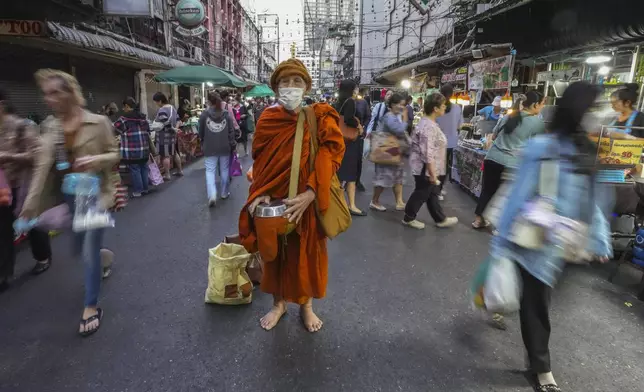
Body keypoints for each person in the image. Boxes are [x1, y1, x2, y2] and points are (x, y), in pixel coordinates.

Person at [491, 81, 612, 392]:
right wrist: (500, 242)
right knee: (537, 306)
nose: (599, 116)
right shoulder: (542, 148)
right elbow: (518, 195)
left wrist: (599, 240)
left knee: (535, 301)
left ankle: (504, 306)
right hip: (534, 241)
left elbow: (594, 201)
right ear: (579, 111)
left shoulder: (586, 150)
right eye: (595, 109)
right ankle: (541, 368)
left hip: (567, 245)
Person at [239, 58, 345, 333]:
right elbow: (260, 162)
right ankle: (278, 304)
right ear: (275, 88)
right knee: (275, 257)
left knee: (307, 255)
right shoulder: (267, 119)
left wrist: (311, 193)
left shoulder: (319, 116)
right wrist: (259, 194)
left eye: (296, 81)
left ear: (307, 86)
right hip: (276, 202)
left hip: (307, 202)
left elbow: (331, 155)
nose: (290, 87)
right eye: (284, 82)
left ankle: (306, 307)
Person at [22, 69, 120, 336]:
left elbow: (114, 153)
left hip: (96, 194)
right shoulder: (50, 127)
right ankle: (105, 258)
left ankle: (91, 307)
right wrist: (30, 204)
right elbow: (42, 166)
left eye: (55, 92)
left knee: (87, 252)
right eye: (46, 94)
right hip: (67, 195)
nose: (49, 99)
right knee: (79, 250)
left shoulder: (98, 122)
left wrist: (96, 161)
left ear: (71, 92)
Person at [0, 89, 53, 290]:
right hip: (2, 189)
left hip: (22, 185)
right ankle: (3, 273)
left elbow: (36, 156)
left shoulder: (23, 127)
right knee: (2, 230)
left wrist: (8, 156)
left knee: (31, 224)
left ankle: (43, 257)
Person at [473, 90, 546, 229]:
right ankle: (498, 227)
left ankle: (478, 220)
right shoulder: (537, 123)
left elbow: (493, 137)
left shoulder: (508, 116)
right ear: (535, 104)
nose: (542, 107)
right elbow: (539, 147)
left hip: (492, 159)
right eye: (542, 104)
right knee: (505, 196)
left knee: (487, 191)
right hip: (511, 163)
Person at [403, 93, 459, 229]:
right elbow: (428, 153)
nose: (445, 107)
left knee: (432, 193)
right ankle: (409, 217)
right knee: (422, 192)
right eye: (443, 105)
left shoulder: (430, 123)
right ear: (435, 108)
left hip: (427, 167)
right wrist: (433, 174)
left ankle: (440, 219)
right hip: (424, 167)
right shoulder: (428, 126)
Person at [370, 93, 408, 212]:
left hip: (392, 151)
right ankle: (374, 201)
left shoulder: (394, 115)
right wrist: (405, 119)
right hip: (386, 152)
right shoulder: (390, 116)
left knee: (397, 178)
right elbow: (399, 130)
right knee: (383, 179)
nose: (401, 107)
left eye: (403, 105)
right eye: (399, 104)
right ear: (392, 104)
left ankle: (399, 202)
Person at [198, 92, 236, 206]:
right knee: (224, 170)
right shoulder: (226, 114)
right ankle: (224, 193)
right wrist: (232, 144)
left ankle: (212, 194)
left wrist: (202, 141)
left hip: (209, 146)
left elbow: (201, 131)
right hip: (225, 146)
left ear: (209, 102)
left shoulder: (204, 115)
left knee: (210, 171)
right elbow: (231, 131)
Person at [113, 97, 155, 198]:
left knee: (135, 169)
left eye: (124, 107)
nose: (123, 109)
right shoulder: (142, 117)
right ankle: (145, 189)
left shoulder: (124, 118)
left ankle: (138, 190)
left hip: (132, 150)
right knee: (144, 167)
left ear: (127, 106)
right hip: (144, 148)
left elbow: (115, 128)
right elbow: (148, 131)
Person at [335, 79, 366, 216]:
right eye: (356, 88)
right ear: (351, 89)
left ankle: (338, 203)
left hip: (340, 141)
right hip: (350, 143)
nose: (357, 90)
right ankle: (351, 205)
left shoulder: (337, 103)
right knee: (351, 175)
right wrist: (358, 125)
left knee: (340, 176)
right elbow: (348, 119)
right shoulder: (350, 102)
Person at [435, 84, 463, 199]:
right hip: (451, 142)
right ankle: (439, 189)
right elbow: (460, 125)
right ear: (452, 94)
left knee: (437, 166)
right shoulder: (457, 108)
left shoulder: (436, 107)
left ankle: (436, 189)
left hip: (437, 141)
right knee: (445, 167)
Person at [151, 92, 178, 181]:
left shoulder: (162, 110)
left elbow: (165, 122)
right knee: (174, 153)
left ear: (160, 101)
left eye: (156, 102)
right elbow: (178, 119)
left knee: (165, 156)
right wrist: (175, 129)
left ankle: (167, 175)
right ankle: (180, 170)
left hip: (164, 136)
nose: (156, 104)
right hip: (172, 136)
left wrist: (172, 129)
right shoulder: (172, 108)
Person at [355, 92, 372, 192]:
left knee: (358, 160)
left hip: (359, 135)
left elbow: (368, 116)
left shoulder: (363, 103)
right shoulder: (344, 101)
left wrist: (363, 127)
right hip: (344, 135)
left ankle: (357, 181)